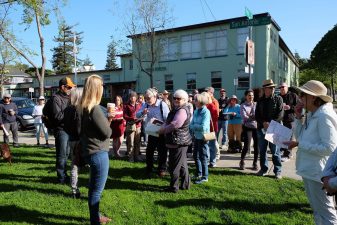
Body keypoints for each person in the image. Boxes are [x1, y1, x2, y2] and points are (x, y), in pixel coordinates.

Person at [284, 80, 337, 224]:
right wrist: (298, 116)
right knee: (318, 211)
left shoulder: (324, 116)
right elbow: (302, 137)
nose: (300, 98)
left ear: (313, 97)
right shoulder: (314, 114)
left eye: (303, 95)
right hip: (311, 170)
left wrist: (300, 144)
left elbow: (330, 148)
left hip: (318, 172)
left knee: (326, 213)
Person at [80, 75, 112, 225]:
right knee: (96, 191)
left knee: (93, 189)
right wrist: (109, 120)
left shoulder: (84, 107)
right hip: (98, 153)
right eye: (102, 85)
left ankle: (96, 217)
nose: (103, 87)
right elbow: (107, 132)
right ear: (96, 88)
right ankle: (95, 221)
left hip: (90, 152)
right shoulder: (95, 109)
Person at [159, 89, 192, 193]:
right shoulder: (176, 109)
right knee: (182, 164)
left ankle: (173, 187)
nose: (176, 100)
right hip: (177, 141)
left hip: (178, 142)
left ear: (185, 100)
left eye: (179, 98)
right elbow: (168, 121)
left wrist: (163, 130)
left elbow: (175, 124)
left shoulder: (182, 110)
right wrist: (163, 125)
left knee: (174, 166)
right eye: (175, 98)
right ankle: (185, 185)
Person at [137, 88, 170, 177]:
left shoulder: (162, 105)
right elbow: (137, 114)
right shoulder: (146, 105)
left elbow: (167, 119)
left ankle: (162, 169)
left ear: (155, 96)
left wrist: (163, 127)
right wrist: (142, 112)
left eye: (149, 98)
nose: (147, 100)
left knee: (162, 151)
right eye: (146, 98)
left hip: (162, 131)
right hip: (152, 131)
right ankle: (149, 168)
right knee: (149, 151)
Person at [255, 79, 283, 179]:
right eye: (269, 88)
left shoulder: (278, 99)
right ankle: (264, 169)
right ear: (265, 89)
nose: (272, 89)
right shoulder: (260, 100)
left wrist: (270, 124)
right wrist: (263, 123)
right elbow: (257, 115)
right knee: (262, 150)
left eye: (272, 88)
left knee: (275, 151)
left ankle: (278, 171)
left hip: (274, 128)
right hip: (261, 128)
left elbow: (280, 114)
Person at [52, 77, 76, 184]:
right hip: (61, 130)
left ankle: (64, 175)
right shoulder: (55, 98)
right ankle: (61, 178)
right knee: (61, 155)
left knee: (66, 154)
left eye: (71, 87)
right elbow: (58, 116)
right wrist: (70, 112)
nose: (70, 89)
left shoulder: (69, 97)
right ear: (62, 87)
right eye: (69, 87)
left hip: (69, 129)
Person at [63, 88, 83, 199]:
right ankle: (76, 190)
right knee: (80, 165)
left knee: (74, 165)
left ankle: (74, 189)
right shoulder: (81, 109)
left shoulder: (67, 109)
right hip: (80, 141)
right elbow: (80, 127)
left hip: (71, 139)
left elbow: (65, 126)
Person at [190, 93, 211, 184]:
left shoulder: (206, 112)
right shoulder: (196, 111)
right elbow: (191, 124)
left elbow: (204, 127)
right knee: (195, 156)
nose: (194, 102)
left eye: (196, 100)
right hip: (196, 137)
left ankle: (205, 176)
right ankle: (199, 173)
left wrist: (193, 126)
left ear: (201, 101)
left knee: (203, 157)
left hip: (203, 137)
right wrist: (194, 126)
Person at [278, 82, 299, 162]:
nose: (281, 88)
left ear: (287, 87)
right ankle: (283, 150)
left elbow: (298, 106)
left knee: (289, 137)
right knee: (282, 136)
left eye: (283, 87)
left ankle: (288, 154)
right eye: (280, 87)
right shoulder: (279, 96)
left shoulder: (293, 95)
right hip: (280, 119)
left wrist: (290, 107)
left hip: (290, 119)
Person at [239, 89, 259, 171]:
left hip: (256, 127)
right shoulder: (243, 106)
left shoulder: (256, 105)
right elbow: (244, 118)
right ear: (246, 96)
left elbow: (257, 116)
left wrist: (250, 115)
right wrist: (253, 117)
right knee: (246, 146)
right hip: (247, 127)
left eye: (252, 95)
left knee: (256, 147)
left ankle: (255, 162)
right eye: (249, 95)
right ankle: (242, 161)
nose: (251, 97)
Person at [123, 91, 142, 162]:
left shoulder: (139, 105)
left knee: (137, 142)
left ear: (136, 97)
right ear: (129, 97)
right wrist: (132, 118)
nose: (133, 98)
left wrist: (141, 118)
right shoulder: (126, 105)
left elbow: (141, 113)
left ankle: (136, 156)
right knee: (131, 142)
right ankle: (130, 157)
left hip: (138, 125)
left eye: (134, 96)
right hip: (131, 125)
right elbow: (124, 116)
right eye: (131, 96)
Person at [202, 92, 218, 168]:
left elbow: (215, 118)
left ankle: (212, 161)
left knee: (211, 146)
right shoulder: (204, 106)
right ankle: (208, 160)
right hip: (206, 129)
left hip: (211, 129)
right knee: (207, 146)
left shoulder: (211, 106)